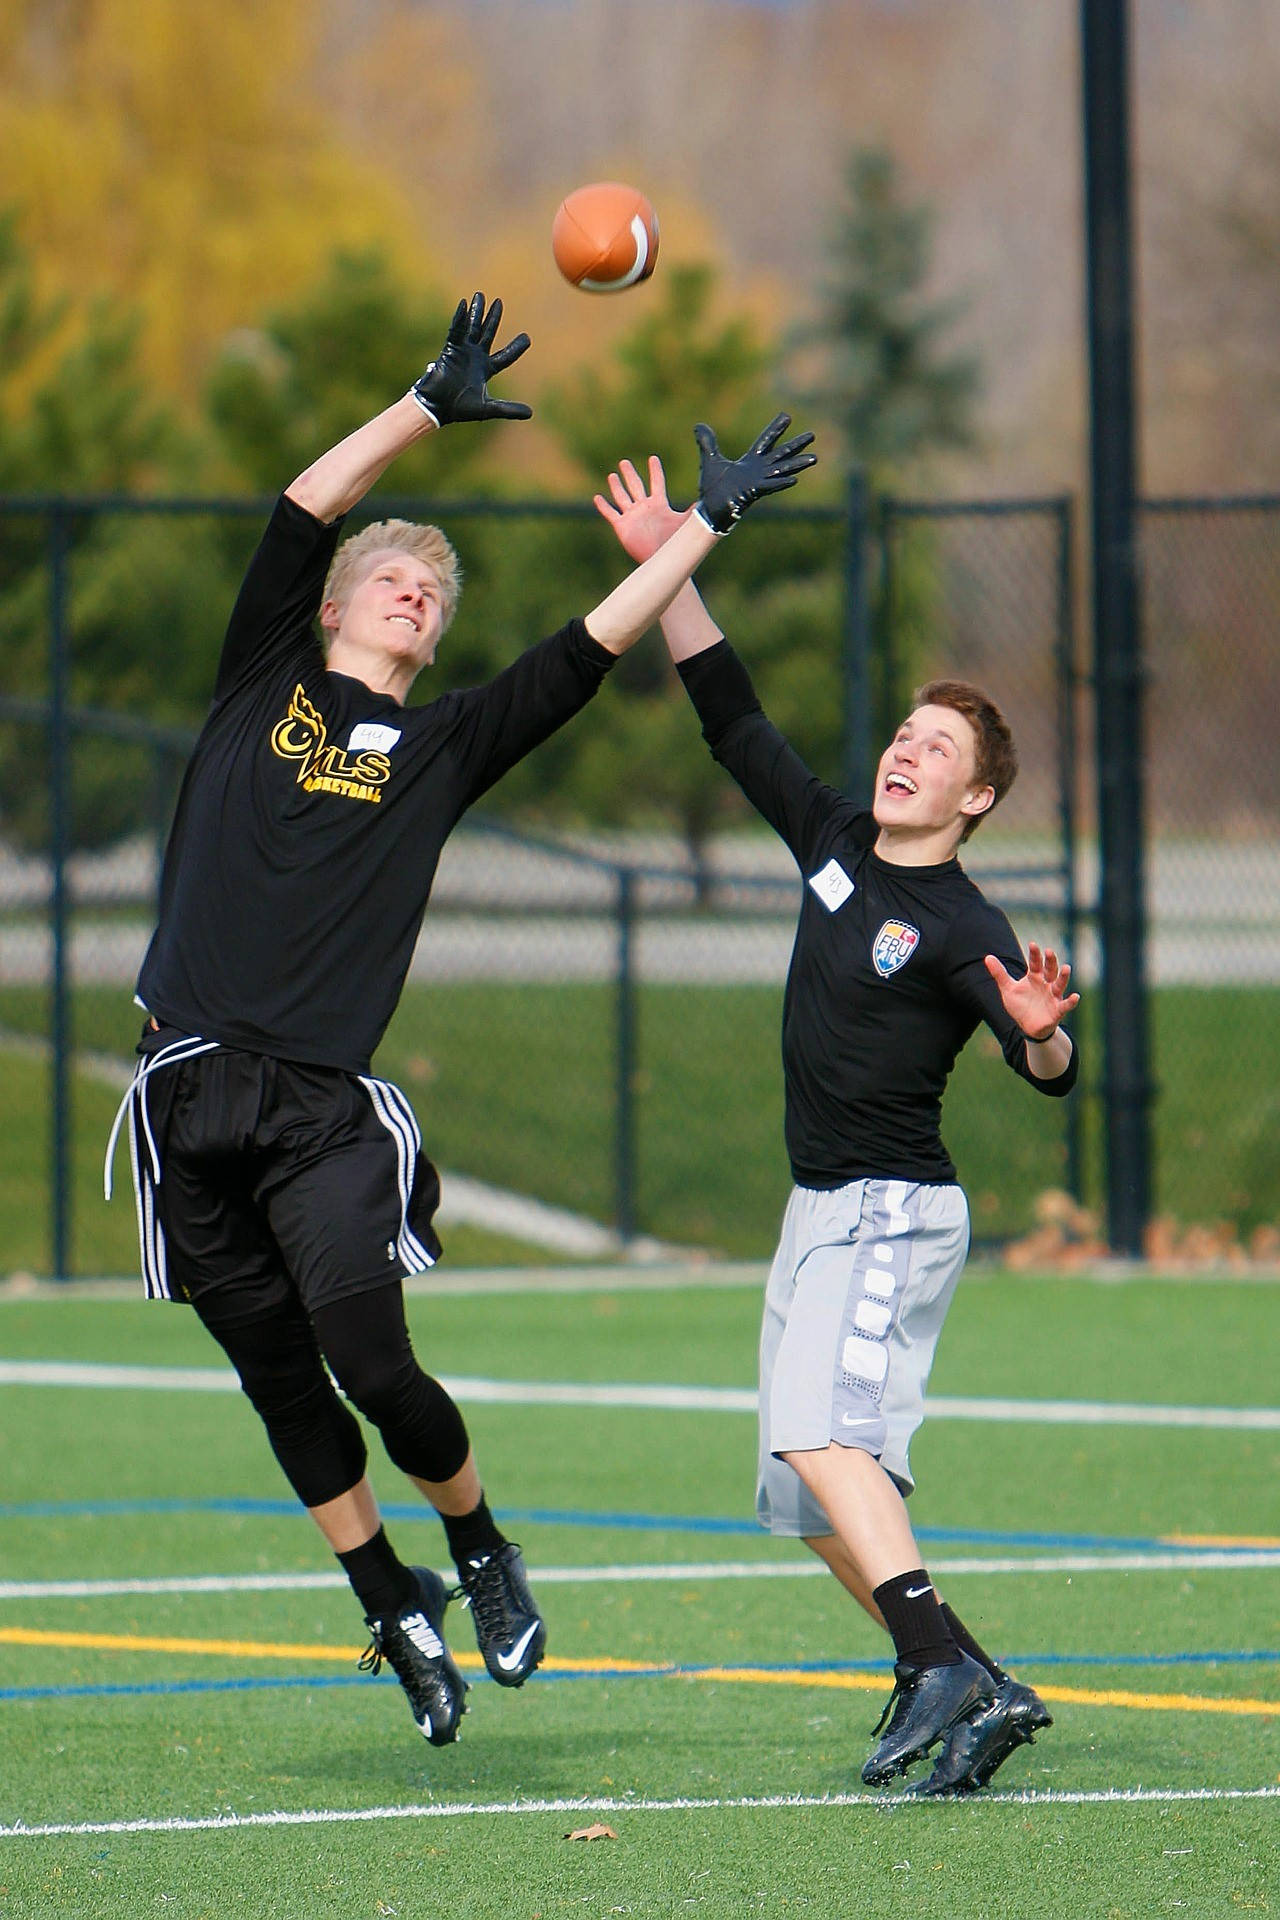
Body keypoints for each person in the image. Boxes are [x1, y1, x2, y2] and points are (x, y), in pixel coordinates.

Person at [104, 296, 819, 1749]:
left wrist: (706, 531)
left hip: (317, 1106)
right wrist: (426, 403)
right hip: (185, 1091)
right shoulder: (262, 685)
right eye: (391, 583)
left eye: (432, 591)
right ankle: (389, 1601)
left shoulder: (440, 749)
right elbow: (310, 501)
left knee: (372, 1363)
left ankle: (481, 1548)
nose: (415, 594)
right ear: (332, 610)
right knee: (278, 1385)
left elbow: (586, 646)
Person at [594, 450, 1079, 1796]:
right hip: (818, 1212)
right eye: (905, 737)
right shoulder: (830, 845)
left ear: (977, 797)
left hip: (891, 1209)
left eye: (940, 752)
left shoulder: (968, 925)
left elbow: (1048, 1068)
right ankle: (972, 1684)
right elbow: (726, 707)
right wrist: (670, 552)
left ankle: (935, 1668)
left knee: (824, 1433)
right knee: (804, 1493)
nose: (908, 754)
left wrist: (1044, 1040)